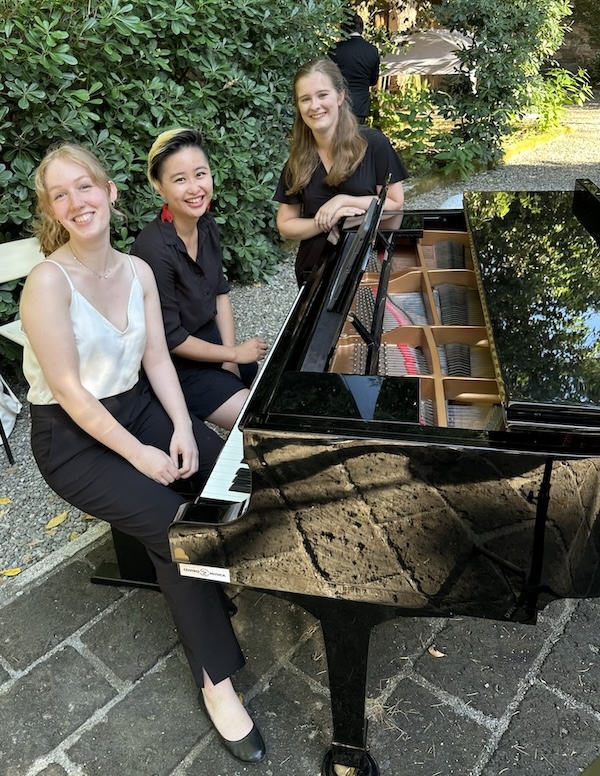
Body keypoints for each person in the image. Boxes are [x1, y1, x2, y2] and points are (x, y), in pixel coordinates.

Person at [20, 143, 265, 764]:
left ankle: (224, 567)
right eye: (60, 194)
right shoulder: (47, 283)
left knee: (233, 471)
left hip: (139, 408)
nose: (77, 201)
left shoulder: (137, 271)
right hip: (74, 440)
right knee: (175, 529)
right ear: (51, 211)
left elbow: (158, 357)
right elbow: (72, 394)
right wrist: (144, 457)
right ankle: (218, 682)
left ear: (110, 191)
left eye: (85, 186)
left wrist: (182, 428)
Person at [131, 129, 268, 432]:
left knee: (254, 375)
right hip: (175, 365)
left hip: (210, 343)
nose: (195, 188)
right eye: (180, 179)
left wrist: (231, 358)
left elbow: (220, 292)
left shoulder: (205, 223)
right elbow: (171, 338)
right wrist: (232, 354)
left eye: (200, 174)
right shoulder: (152, 249)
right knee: (259, 424)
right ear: (159, 186)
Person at [274, 58, 409, 286]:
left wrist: (342, 201)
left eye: (322, 95)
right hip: (315, 270)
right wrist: (328, 221)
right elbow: (286, 224)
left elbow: (395, 204)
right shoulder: (298, 159)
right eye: (305, 99)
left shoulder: (373, 144)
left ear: (340, 96)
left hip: (367, 266)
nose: (314, 105)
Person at [329, 13, 380, 123]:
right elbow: (373, 80)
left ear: (343, 29)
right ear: (361, 28)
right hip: (361, 105)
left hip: (339, 104)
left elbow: (328, 78)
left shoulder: (335, 49)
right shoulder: (372, 50)